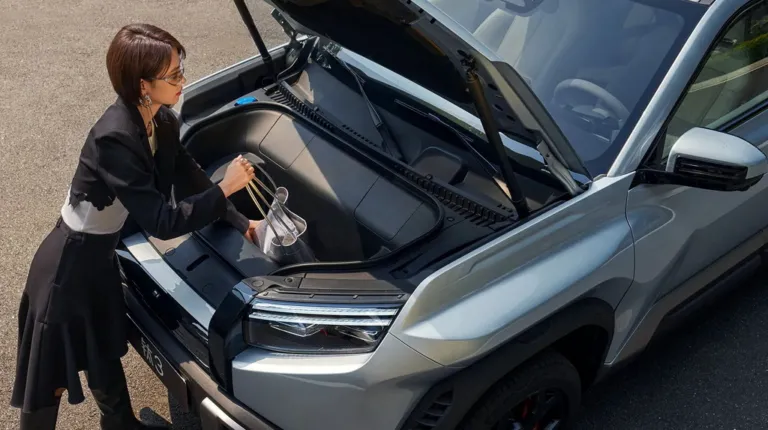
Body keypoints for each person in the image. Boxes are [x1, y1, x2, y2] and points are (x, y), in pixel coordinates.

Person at [10, 23, 260, 429]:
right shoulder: (114, 138)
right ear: (144, 84)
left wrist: (241, 221)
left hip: (99, 259)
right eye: (173, 75)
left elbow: (189, 175)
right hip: (67, 268)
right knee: (48, 379)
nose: (183, 81)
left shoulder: (161, 121)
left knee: (103, 354)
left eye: (181, 70)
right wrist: (226, 186)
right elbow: (162, 221)